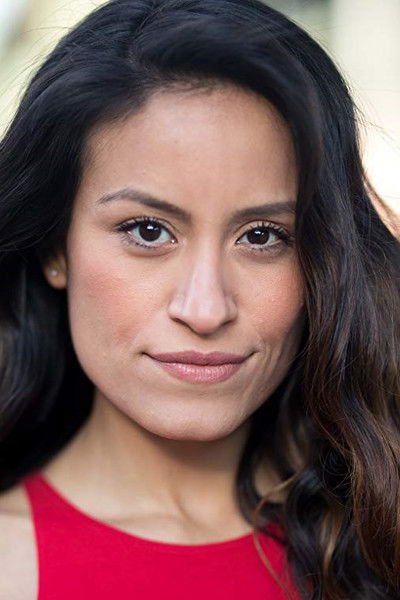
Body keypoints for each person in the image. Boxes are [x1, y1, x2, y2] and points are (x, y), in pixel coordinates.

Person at [0, 0, 398, 598]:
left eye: (261, 237)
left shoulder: (380, 534)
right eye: (148, 231)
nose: (206, 310)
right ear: (56, 248)